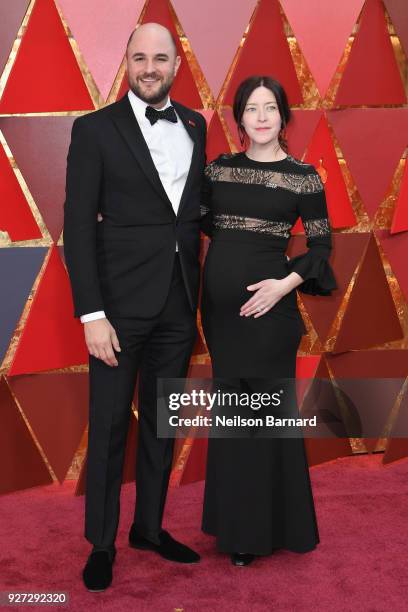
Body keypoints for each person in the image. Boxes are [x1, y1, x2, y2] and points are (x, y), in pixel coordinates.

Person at [63, 22, 207, 591]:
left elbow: (196, 213)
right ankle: (101, 542)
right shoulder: (94, 130)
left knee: (162, 426)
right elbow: (78, 227)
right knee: (109, 427)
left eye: (161, 58)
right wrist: (91, 315)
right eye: (140, 57)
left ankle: (148, 527)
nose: (150, 67)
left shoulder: (195, 123)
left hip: (179, 301)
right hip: (118, 311)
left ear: (177, 62)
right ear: (126, 61)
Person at [199, 75, 337, 566]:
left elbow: (321, 247)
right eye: (252, 108)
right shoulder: (217, 172)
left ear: (283, 117)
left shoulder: (304, 178)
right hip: (219, 316)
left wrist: (282, 286)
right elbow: (190, 223)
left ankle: (259, 533)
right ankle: (234, 526)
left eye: (270, 108)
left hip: (270, 313)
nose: (261, 116)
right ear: (239, 119)